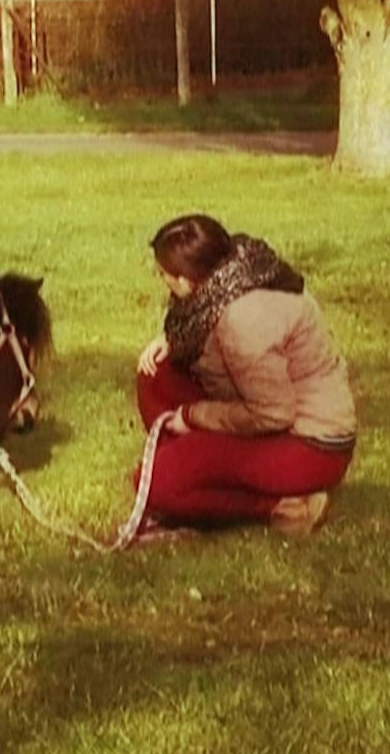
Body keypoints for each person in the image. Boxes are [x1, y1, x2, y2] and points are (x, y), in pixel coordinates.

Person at [134, 213, 358, 536]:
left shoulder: (243, 320)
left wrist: (192, 417)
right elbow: (203, 331)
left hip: (310, 444)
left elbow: (273, 414)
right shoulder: (232, 275)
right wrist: (170, 341)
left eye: (163, 274)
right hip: (264, 409)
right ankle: (192, 469)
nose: (162, 280)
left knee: (153, 482)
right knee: (156, 376)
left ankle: (284, 507)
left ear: (185, 281)